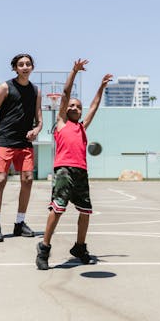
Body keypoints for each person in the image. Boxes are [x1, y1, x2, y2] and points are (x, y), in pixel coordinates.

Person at [36, 59, 112, 270]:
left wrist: (102, 87)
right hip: (64, 170)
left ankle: (79, 247)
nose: (75, 108)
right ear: (65, 109)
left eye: (78, 107)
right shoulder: (61, 122)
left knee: (85, 211)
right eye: (71, 106)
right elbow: (66, 94)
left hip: (81, 171)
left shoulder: (83, 127)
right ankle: (44, 246)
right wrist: (74, 71)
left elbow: (95, 105)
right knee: (58, 208)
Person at [0, 53, 43, 242]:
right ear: (15, 68)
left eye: (28, 64)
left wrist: (36, 129)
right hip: (4, 141)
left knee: (28, 179)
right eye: (21, 64)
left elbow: (39, 120)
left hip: (24, 143)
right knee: (0, 180)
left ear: (32, 67)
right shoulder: (5, 87)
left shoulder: (36, 91)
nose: (25, 67)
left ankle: (20, 222)